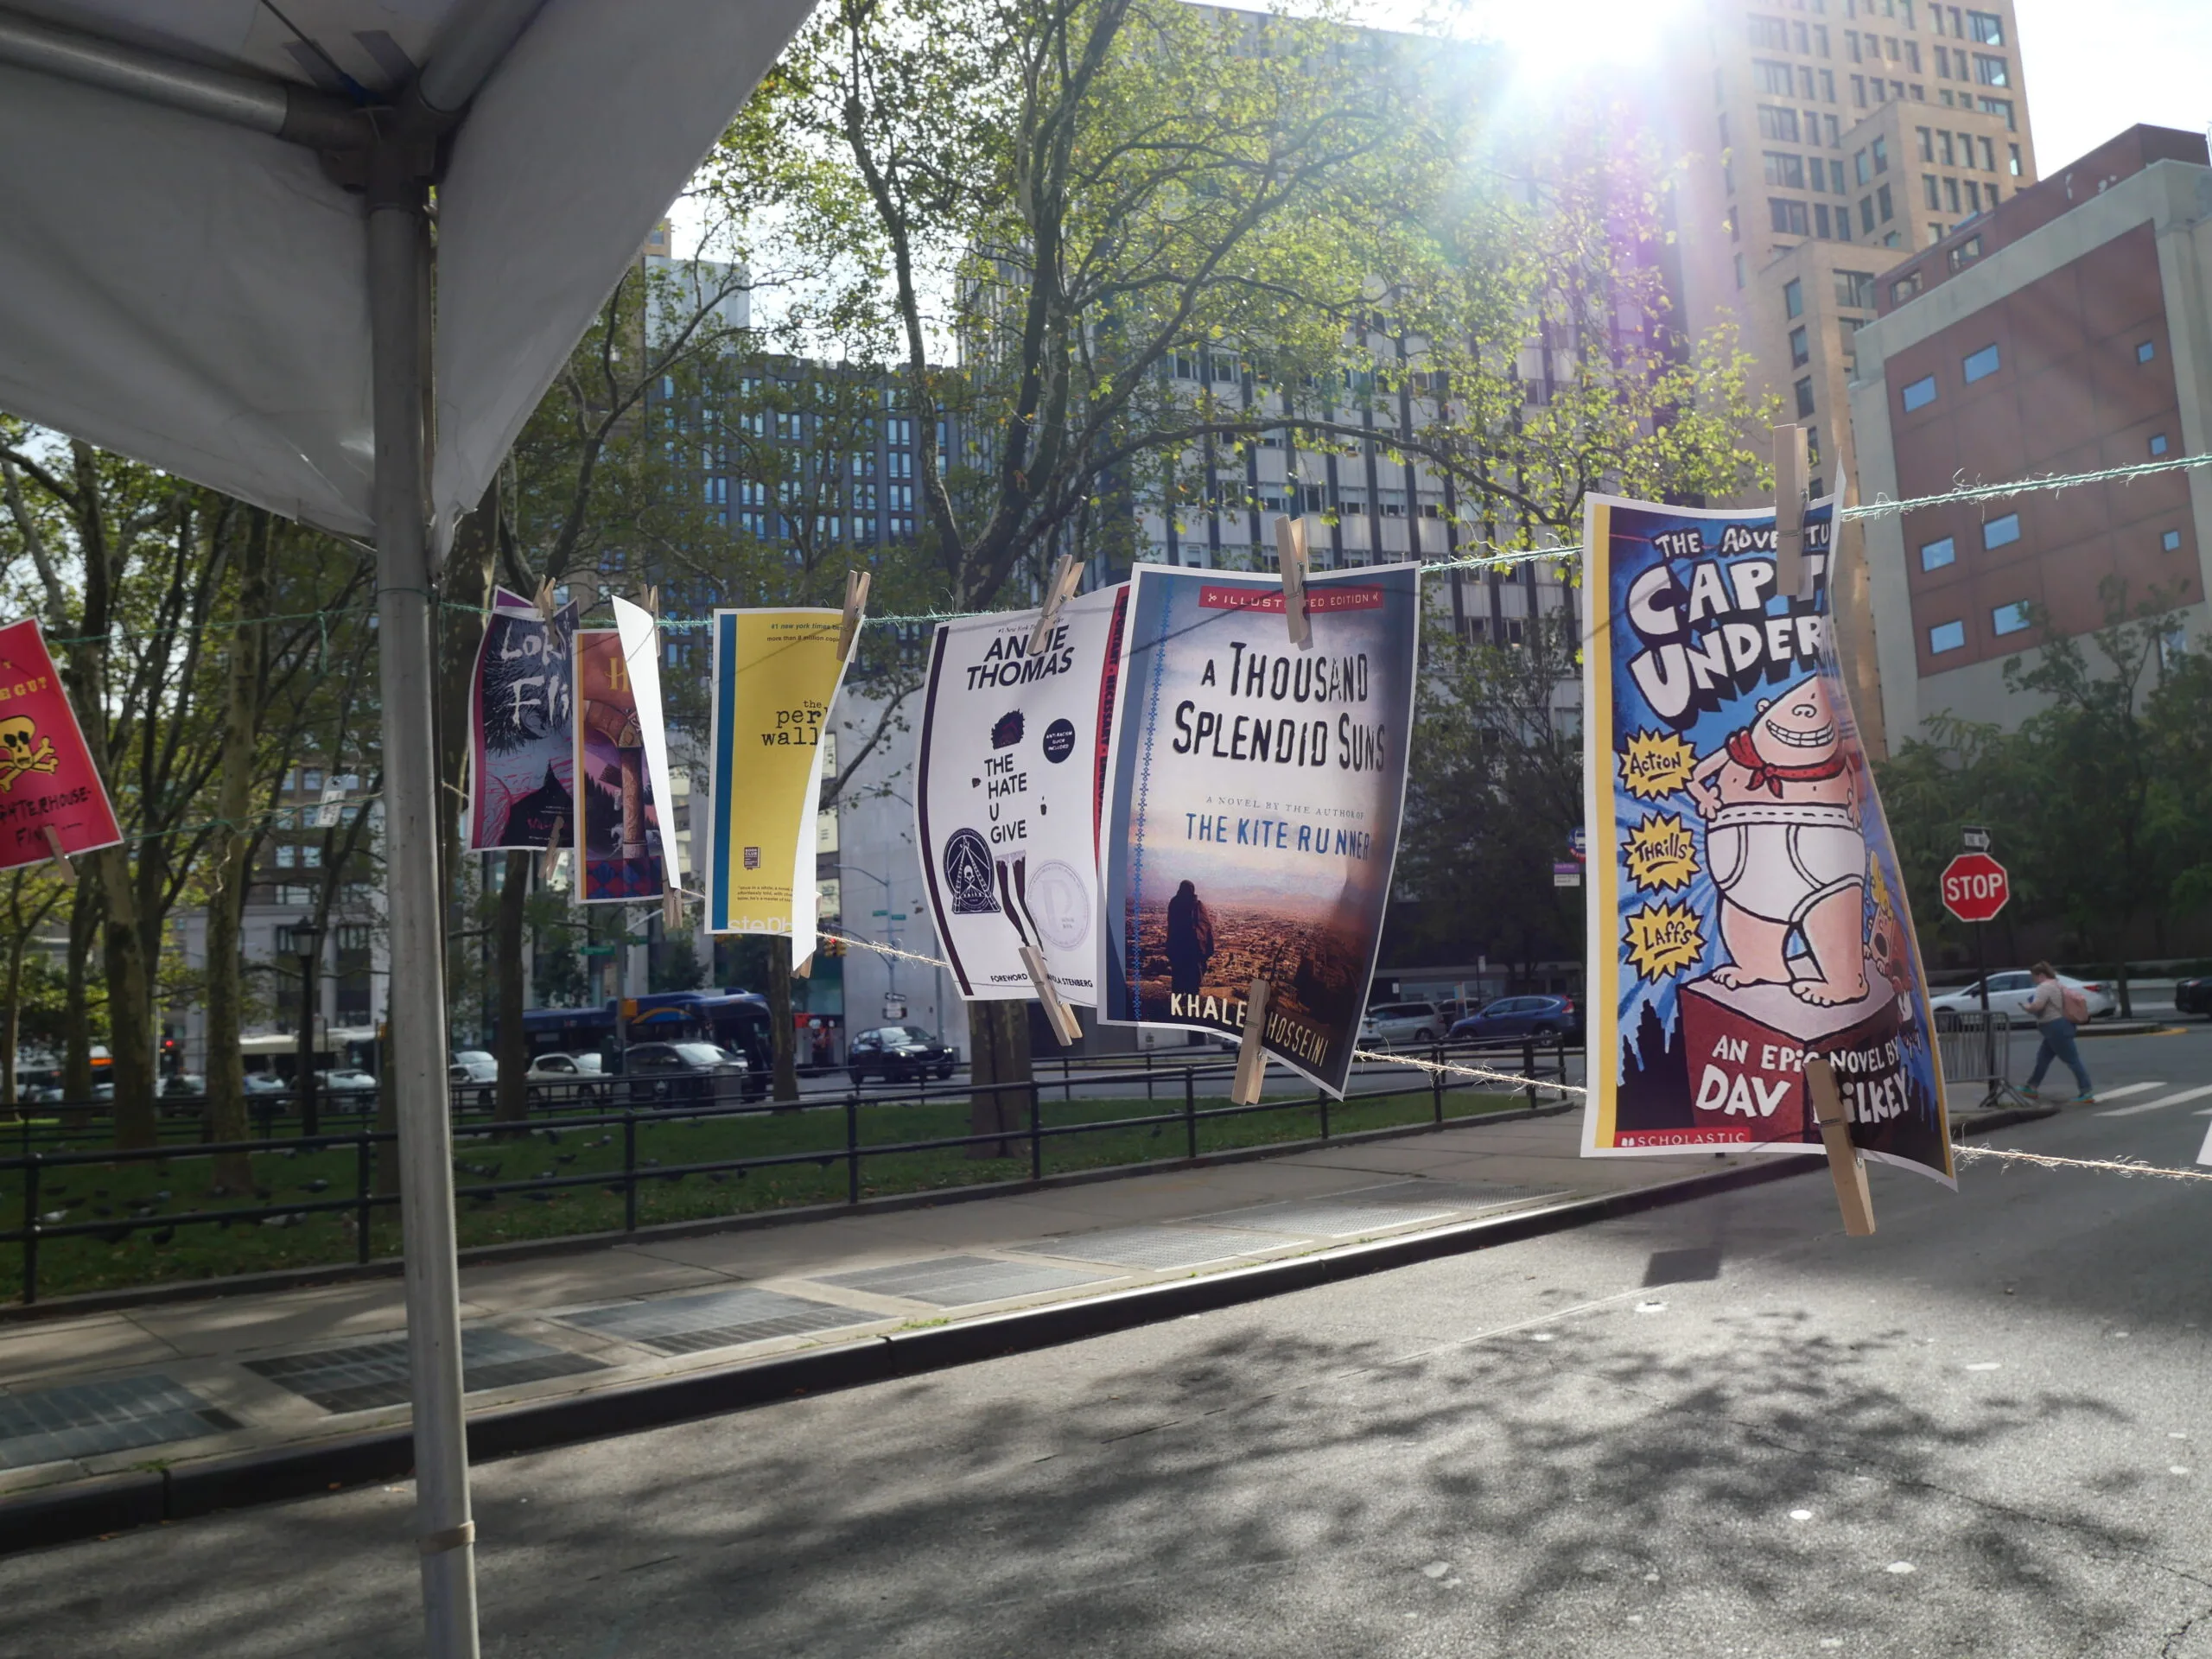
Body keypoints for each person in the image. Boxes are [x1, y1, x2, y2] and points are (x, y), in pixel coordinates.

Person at [2023, 961, 2094, 1103]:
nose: (2034, 980)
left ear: (2041, 975)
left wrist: (2027, 1007)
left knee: (2072, 1060)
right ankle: (2032, 1086)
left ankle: (2086, 1091)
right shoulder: (2057, 984)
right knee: (2043, 1058)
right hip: (2057, 1026)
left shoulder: (2044, 987)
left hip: (2054, 1027)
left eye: (2034, 977)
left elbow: (2038, 1006)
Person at [1165, 879, 1215, 996]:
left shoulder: (1175, 903)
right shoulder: (1196, 904)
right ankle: (1189, 1008)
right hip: (1193, 948)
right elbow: (1206, 927)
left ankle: (1177, 1009)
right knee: (1192, 981)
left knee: (1179, 979)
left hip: (1179, 947)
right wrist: (1206, 947)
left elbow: (1172, 926)